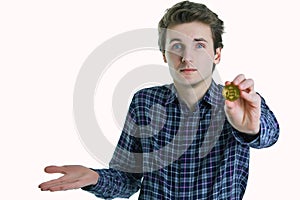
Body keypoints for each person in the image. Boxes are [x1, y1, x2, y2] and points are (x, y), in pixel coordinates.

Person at [38, 1, 279, 199]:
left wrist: (250, 129)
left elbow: (270, 135)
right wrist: (95, 178)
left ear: (217, 54)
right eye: (177, 46)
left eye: (199, 46)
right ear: (164, 55)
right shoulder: (144, 101)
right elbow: (127, 181)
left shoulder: (238, 101)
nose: (186, 57)